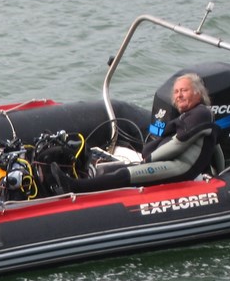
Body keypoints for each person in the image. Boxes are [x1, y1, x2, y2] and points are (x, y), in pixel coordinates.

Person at [50, 73, 218, 194]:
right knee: (117, 169)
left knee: (125, 174)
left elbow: (177, 144)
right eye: (176, 92)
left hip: (181, 168)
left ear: (197, 93)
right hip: (173, 164)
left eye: (184, 91)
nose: (179, 96)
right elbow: (215, 146)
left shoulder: (200, 113)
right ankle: (82, 183)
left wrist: (149, 160)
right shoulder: (194, 116)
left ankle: (75, 188)